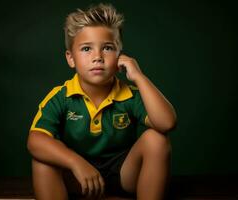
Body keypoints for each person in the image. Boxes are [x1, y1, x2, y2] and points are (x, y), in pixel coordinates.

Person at [27, 3, 177, 200]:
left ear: (119, 56)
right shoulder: (60, 97)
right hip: (78, 178)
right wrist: (76, 162)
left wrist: (139, 77)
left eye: (107, 48)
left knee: (157, 139)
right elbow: (35, 140)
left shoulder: (130, 95)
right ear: (71, 58)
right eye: (87, 48)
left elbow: (167, 123)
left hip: (123, 175)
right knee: (42, 158)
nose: (97, 57)